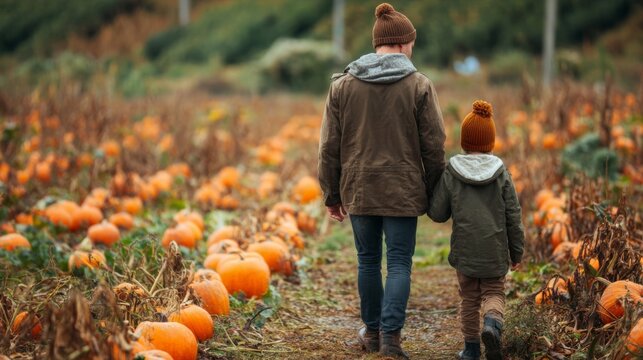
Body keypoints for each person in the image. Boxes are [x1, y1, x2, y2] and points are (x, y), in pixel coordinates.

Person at [318, 3, 446, 359]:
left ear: (378, 45)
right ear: (404, 43)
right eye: (412, 43)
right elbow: (434, 145)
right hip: (404, 190)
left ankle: (371, 334)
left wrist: (331, 192)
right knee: (400, 263)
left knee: (368, 261)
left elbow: (329, 146)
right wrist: (437, 192)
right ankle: (391, 340)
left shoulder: (342, 86)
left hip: (359, 188)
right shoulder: (419, 85)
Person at [428, 100, 525, 360]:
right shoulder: (502, 173)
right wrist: (517, 252)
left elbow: (437, 213)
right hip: (494, 250)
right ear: (490, 142)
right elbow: (513, 216)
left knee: (469, 299)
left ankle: (471, 350)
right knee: (494, 292)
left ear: (464, 141)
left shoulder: (452, 171)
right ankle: (492, 324)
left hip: (465, 252)